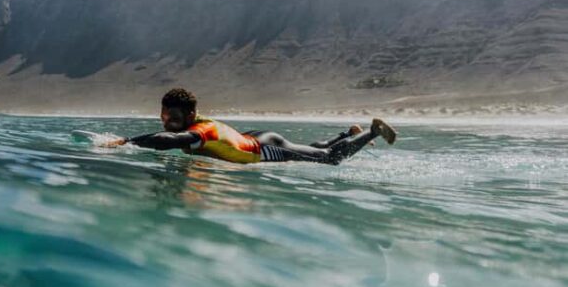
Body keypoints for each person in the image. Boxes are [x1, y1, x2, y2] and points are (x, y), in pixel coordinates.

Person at [108, 88, 396, 165]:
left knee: (327, 159)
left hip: (263, 148)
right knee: (307, 150)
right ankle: (348, 134)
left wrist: (126, 142)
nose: (167, 122)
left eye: (173, 118)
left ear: (191, 114)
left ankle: (373, 131)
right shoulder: (195, 128)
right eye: (163, 116)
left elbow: (165, 141)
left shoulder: (201, 130)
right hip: (251, 138)